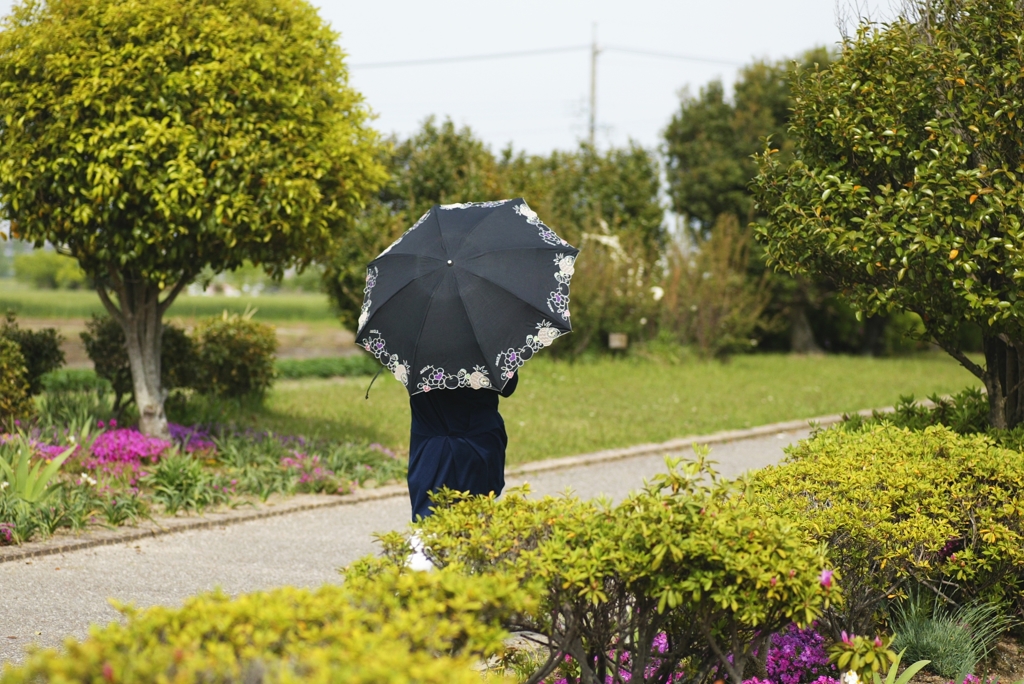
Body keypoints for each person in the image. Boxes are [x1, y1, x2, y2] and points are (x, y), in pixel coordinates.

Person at [406, 372, 518, 520]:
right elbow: (507, 386)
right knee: (481, 521)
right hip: (478, 442)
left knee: (429, 520)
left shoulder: (414, 351)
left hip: (431, 447)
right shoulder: (486, 348)